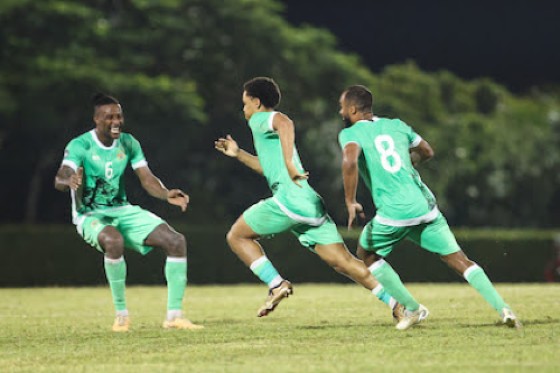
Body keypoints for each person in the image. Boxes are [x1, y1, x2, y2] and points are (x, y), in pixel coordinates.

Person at [215, 77, 403, 322]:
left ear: (257, 102)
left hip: (289, 201)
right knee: (344, 262)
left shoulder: (260, 119)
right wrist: (238, 154)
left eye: (245, 103)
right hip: (309, 203)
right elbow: (268, 167)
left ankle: (276, 284)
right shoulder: (265, 130)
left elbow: (285, 122)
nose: (244, 109)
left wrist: (291, 164)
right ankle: (398, 304)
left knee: (237, 236)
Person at [337, 84, 521, 329]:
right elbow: (427, 151)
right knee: (460, 260)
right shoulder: (397, 125)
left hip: (394, 213)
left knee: (366, 254)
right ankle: (504, 309)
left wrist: (350, 200)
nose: (340, 112)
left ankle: (411, 308)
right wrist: (410, 164)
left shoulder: (350, 133)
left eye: (342, 107)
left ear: (352, 109)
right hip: (425, 207)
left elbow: (349, 162)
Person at [54, 93, 203, 332]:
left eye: (119, 116)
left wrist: (166, 194)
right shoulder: (80, 145)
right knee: (114, 241)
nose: (116, 121)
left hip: (123, 210)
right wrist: (69, 179)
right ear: (96, 119)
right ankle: (122, 316)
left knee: (176, 241)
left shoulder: (129, 143)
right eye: (109, 117)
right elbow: (61, 175)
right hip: (90, 215)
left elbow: (147, 178)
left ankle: (174, 316)